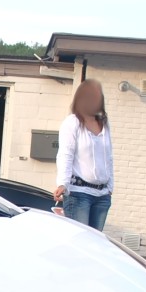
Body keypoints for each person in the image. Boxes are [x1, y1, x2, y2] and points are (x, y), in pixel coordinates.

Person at [54, 79, 113, 230]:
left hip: (102, 196)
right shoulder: (72, 122)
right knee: (80, 242)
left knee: (94, 245)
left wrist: (110, 186)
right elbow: (65, 154)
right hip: (79, 194)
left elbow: (108, 157)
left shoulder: (104, 124)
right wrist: (62, 183)